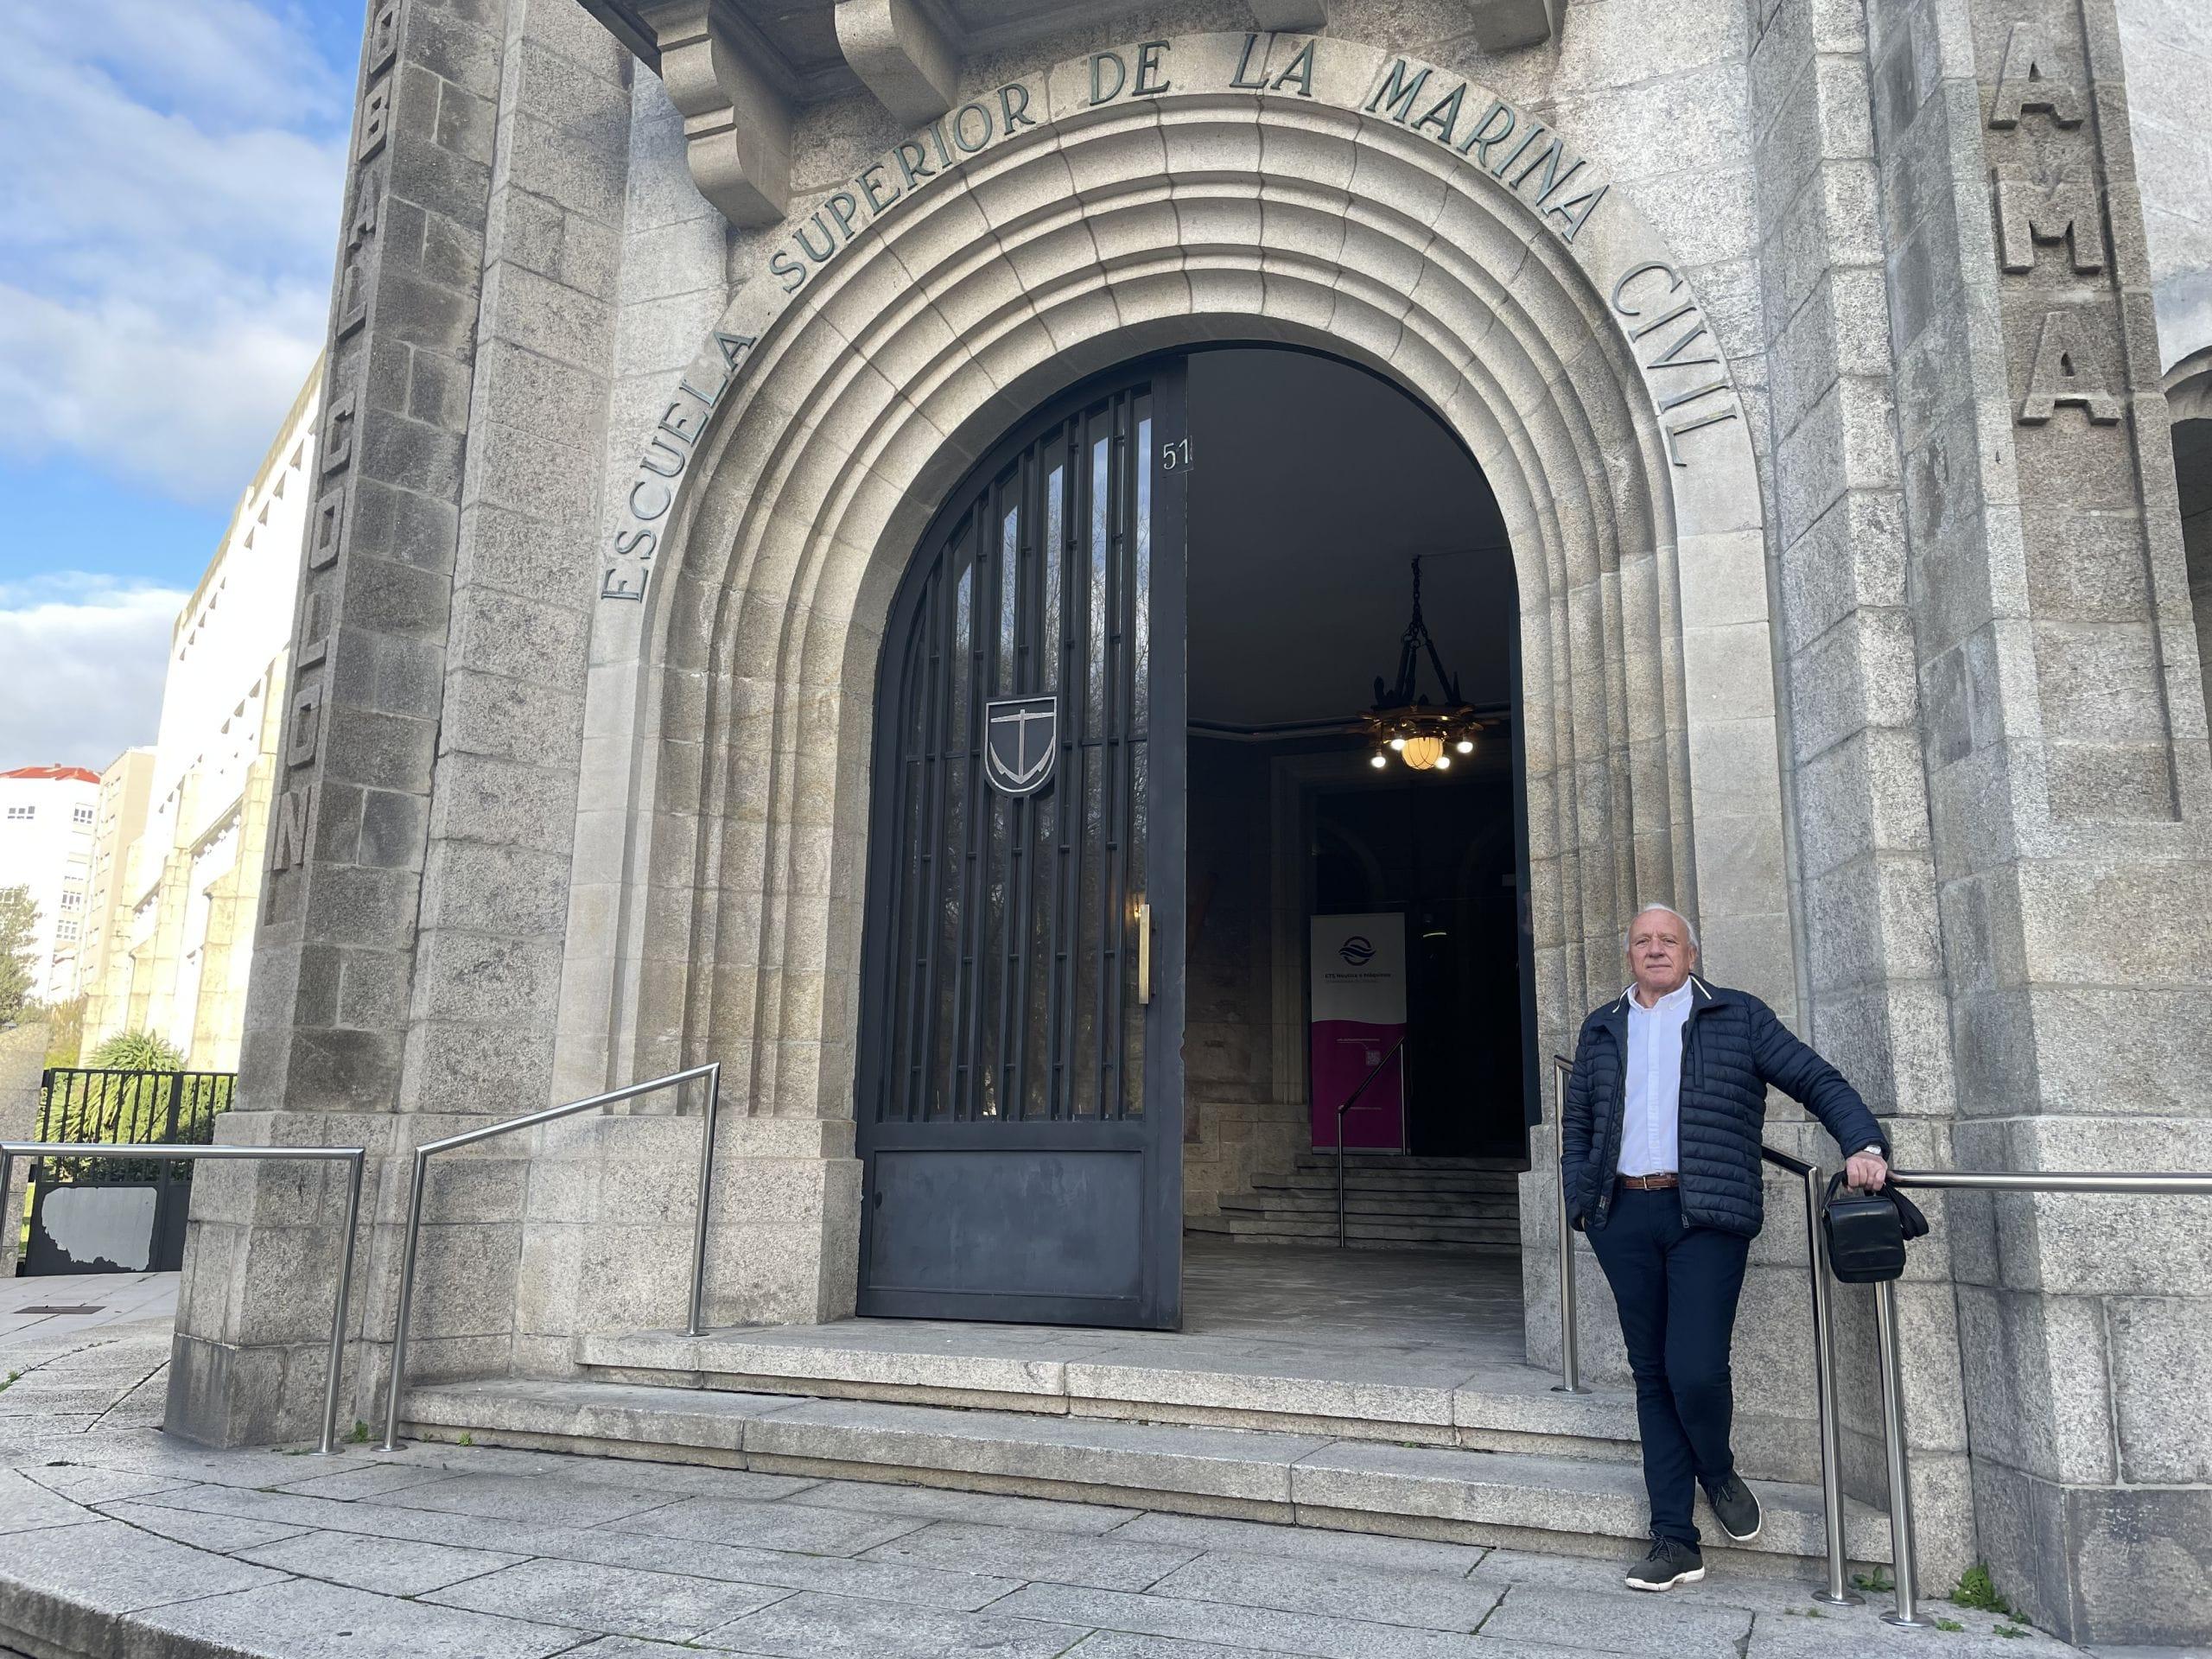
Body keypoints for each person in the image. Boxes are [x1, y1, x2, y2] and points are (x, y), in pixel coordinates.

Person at [1560, 903, 1889, 1592]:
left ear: (1691, 951)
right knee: (1652, 1374)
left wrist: (1861, 1142)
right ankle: (1674, 1539)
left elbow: (1815, 1078)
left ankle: (1714, 1465)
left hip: (1704, 1214)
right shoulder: (1603, 1024)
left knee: (1697, 1370)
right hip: (1622, 1213)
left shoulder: (1736, 1016)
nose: (1655, 950)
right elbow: (1580, 1120)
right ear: (1629, 955)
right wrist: (1581, 1203)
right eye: (1642, 940)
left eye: (1668, 940)